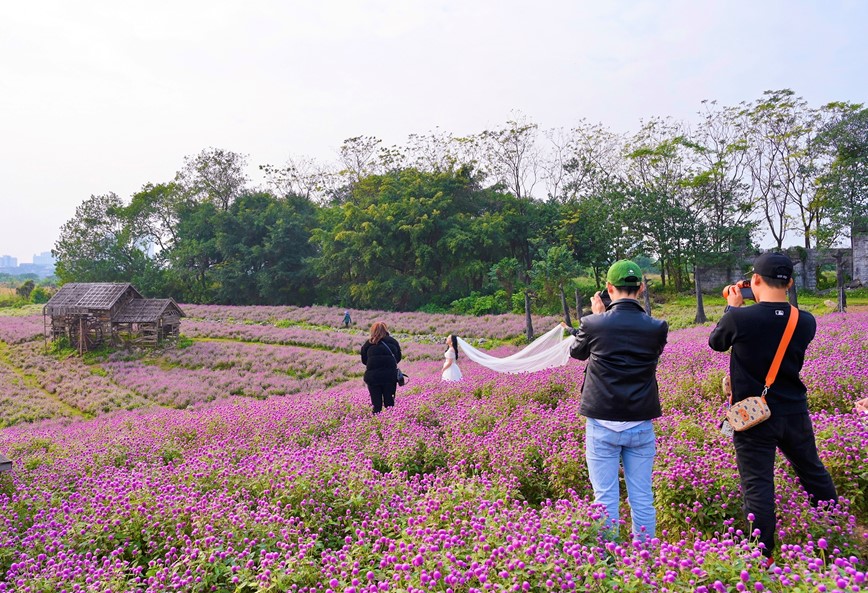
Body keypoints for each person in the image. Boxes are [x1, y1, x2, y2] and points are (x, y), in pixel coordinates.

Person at [709, 252, 838, 569]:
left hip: (753, 417)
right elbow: (777, 323)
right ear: (791, 282)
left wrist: (732, 308)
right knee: (812, 470)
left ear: (754, 281)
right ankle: (835, 524)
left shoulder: (740, 319)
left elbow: (716, 342)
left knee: (758, 485)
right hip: (794, 411)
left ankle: (760, 555)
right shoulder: (805, 321)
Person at [563, 260, 669, 541]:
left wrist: (598, 316)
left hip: (602, 422)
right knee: (642, 497)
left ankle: (607, 563)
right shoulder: (657, 327)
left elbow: (577, 353)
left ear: (609, 289)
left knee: (605, 498)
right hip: (640, 422)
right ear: (641, 288)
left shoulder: (593, 323)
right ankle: (644, 562)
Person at [360, 321, 402, 414]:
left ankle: (376, 424)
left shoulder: (368, 343)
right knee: (389, 403)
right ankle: (390, 423)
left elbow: (364, 361)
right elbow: (398, 358)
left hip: (373, 377)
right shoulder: (393, 341)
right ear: (386, 330)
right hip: (389, 377)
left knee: (376, 405)